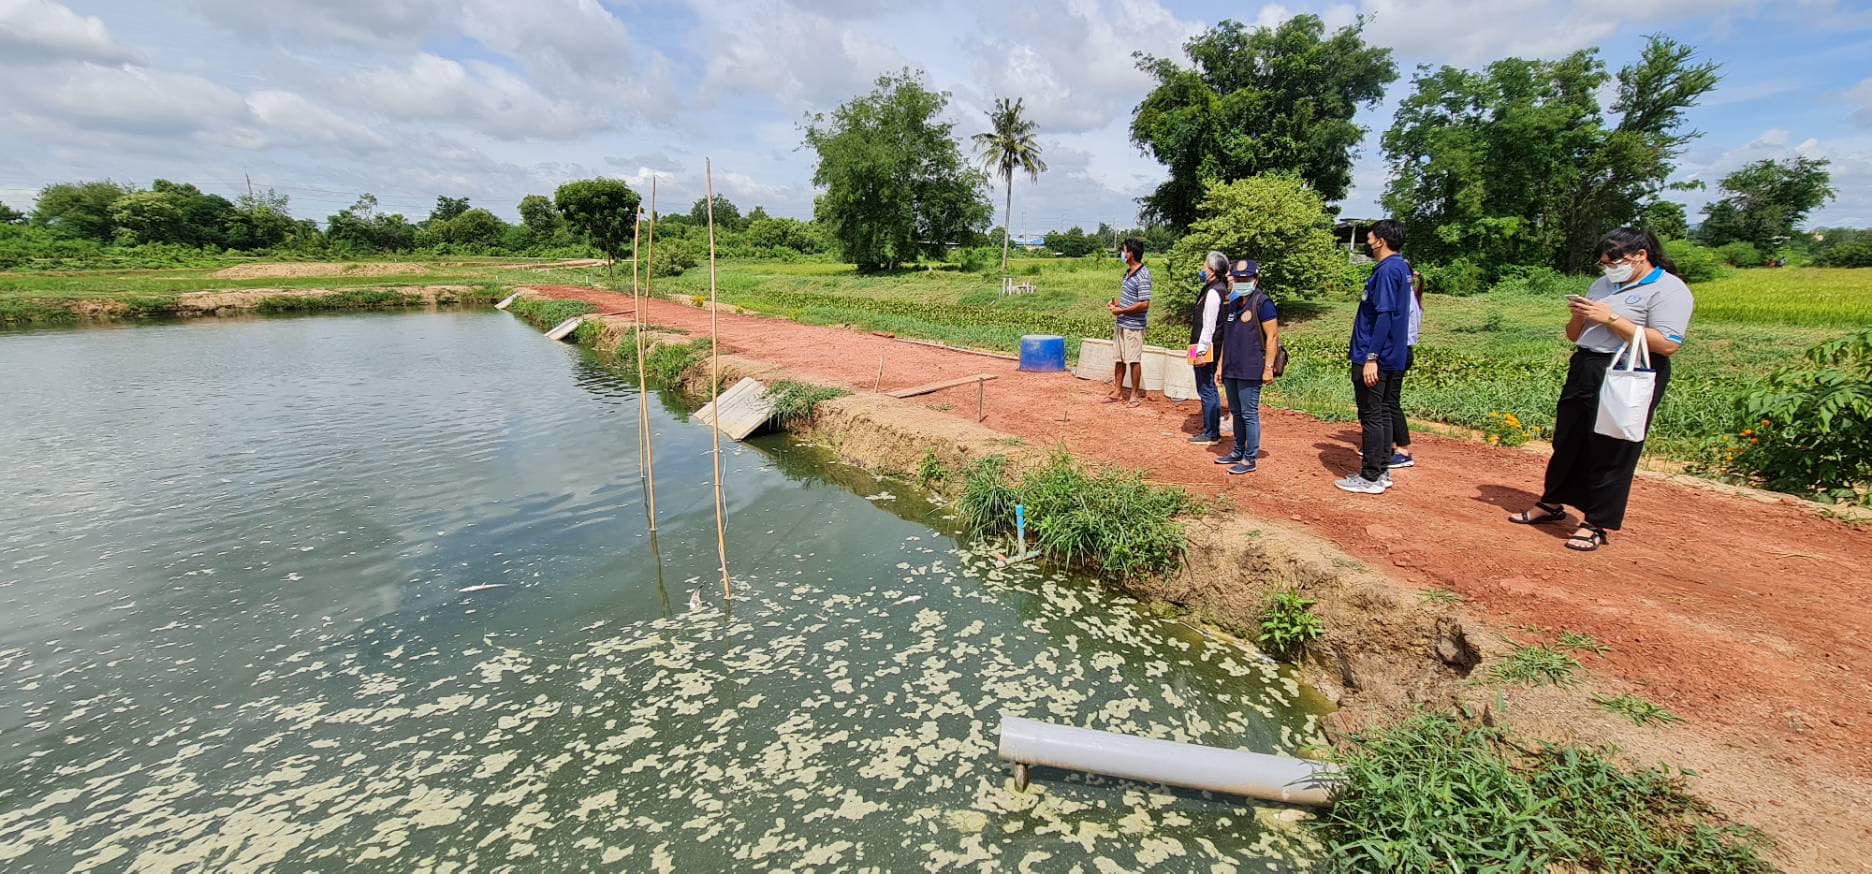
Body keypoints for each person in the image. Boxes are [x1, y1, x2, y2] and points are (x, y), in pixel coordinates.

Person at [1509, 227, 1694, 552]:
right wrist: (1580, 318)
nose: (1609, 269)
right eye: (1605, 263)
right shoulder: (1603, 285)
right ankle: (1552, 503)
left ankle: (1596, 522)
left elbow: (1667, 344)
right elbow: (1573, 335)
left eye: (1616, 262)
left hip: (1629, 370)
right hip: (1587, 366)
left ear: (1641, 256)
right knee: (1568, 438)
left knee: (1613, 446)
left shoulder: (1669, 289)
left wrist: (1611, 319)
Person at [1336, 219, 1412, 494]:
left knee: (1371, 415)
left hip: (1376, 356)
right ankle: (1381, 471)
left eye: (1369, 238)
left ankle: (1370, 475)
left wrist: (1371, 357)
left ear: (1380, 240)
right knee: (1381, 413)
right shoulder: (1401, 267)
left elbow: (1383, 316)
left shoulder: (1387, 271)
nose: (1367, 242)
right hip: (1392, 354)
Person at [1214, 259, 1278, 475]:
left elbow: (1272, 337)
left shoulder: (1263, 303)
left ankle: (1250, 458)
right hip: (1232, 367)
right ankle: (1237, 450)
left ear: (1256, 279)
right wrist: (1221, 366)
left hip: (1251, 367)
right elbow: (1228, 339)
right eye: (1238, 279)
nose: (1241, 282)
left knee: (1249, 413)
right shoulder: (1233, 303)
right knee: (1236, 412)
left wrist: (1268, 367)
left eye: (1246, 279)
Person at [1187, 251, 1230, 445]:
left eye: (1205, 266)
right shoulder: (1217, 289)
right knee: (1206, 387)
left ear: (1212, 270)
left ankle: (1211, 432)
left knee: (1206, 387)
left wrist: (1201, 352)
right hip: (1203, 344)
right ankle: (1211, 430)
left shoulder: (1214, 292)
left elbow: (1209, 325)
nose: (1202, 269)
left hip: (1204, 345)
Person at [1384, 270, 1425, 469]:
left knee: (1391, 401)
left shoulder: (1405, 298)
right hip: (1403, 350)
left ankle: (1402, 450)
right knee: (1387, 400)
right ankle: (1391, 445)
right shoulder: (1411, 296)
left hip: (1400, 351)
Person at [1108, 237, 1152, 406]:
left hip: (1134, 326)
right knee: (1119, 359)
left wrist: (1122, 310)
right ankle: (1118, 391)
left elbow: (1144, 304)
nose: (1122, 253)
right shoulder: (1127, 273)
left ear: (1131, 254)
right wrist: (1117, 305)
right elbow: (1132, 300)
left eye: (1124, 250)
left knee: (1133, 360)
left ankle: (1133, 395)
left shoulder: (1143, 275)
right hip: (1121, 323)